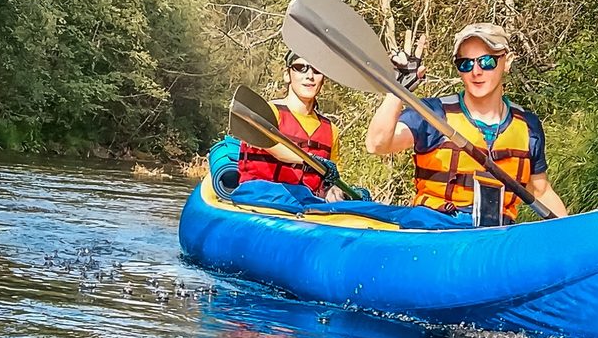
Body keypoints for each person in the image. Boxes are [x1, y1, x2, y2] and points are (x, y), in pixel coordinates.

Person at [364, 23, 568, 220]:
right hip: (437, 230)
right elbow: (377, 144)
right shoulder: (433, 114)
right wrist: (398, 88)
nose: (476, 72)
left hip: (497, 237)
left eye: (487, 61)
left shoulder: (528, 125)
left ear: (507, 61)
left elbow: (541, 192)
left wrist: (575, 237)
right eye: (466, 64)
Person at [238, 52, 345, 198]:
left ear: (323, 78)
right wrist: (312, 160)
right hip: (261, 200)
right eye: (300, 67)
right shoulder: (268, 113)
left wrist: (334, 191)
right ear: (287, 75)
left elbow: (331, 181)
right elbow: (274, 148)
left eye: (317, 70)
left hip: (307, 207)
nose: (309, 76)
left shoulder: (331, 130)